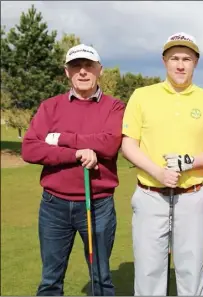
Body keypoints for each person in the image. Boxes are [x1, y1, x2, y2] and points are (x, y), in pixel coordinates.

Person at [121, 32, 203, 296]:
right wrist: (157, 171)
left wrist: (187, 162)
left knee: (192, 272)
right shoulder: (142, 96)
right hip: (149, 196)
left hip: (191, 198)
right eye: (175, 58)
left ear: (195, 63)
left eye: (187, 59)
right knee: (148, 273)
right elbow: (128, 145)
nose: (180, 65)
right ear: (165, 61)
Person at [21, 44, 125, 296]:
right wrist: (76, 153)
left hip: (97, 205)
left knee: (101, 279)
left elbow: (109, 144)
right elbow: (30, 149)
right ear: (66, 72)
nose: (82, 72)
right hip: (53, 206)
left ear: (99, 70)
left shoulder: (115, 107)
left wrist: (60, 138)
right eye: (75, 66)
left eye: (88, 66)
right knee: (50, 281)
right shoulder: (50, 107)